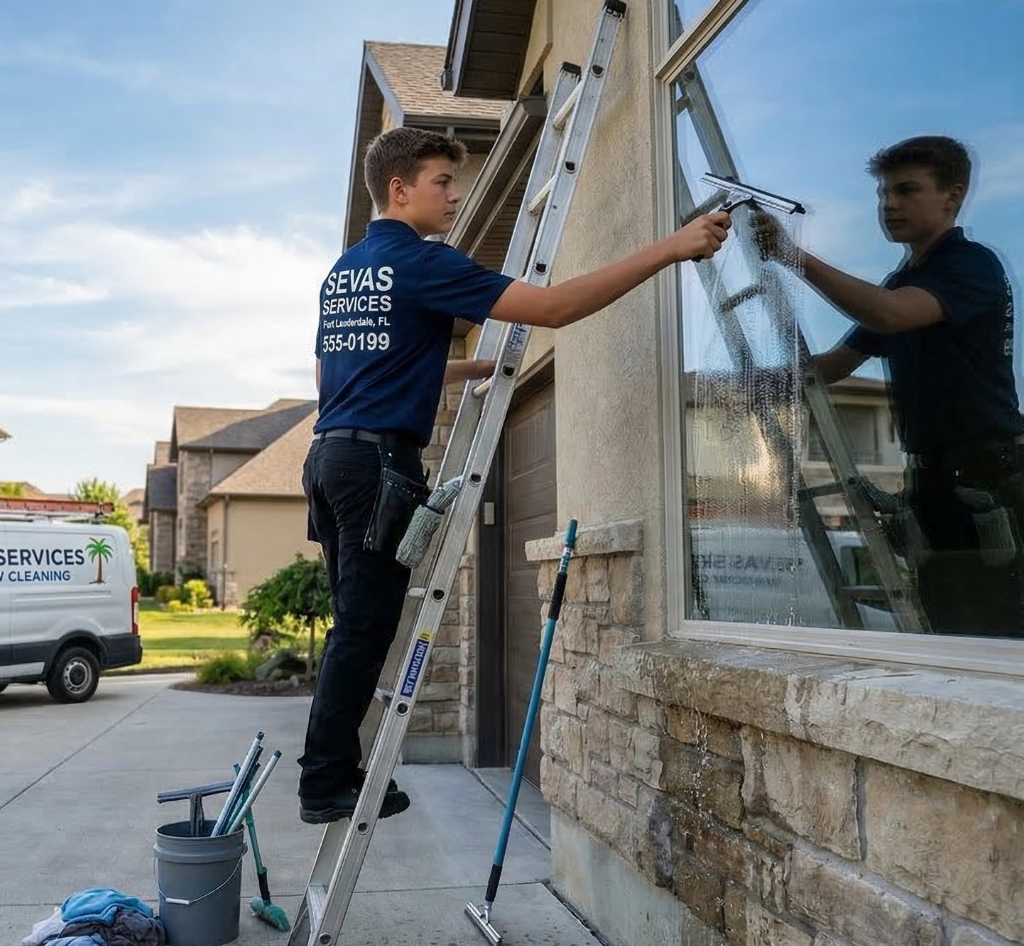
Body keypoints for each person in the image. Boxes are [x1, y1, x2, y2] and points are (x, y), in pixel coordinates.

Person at [298, 126, 731, 824]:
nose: (455, 194)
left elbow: (333, 377)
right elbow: (554, 308)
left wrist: (465, 368)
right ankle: (323, 783)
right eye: (442, 182)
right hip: (377, 465)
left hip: (329, 460)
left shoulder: (345, 272)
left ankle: (334, 770)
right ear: (400, 189)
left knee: (356, 625)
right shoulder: (421, 262)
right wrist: (672, 248)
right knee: (364, 630)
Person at [753, 135, 1024, 639]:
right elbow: (837, 365)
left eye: (906, 191)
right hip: (935, 479)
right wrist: (756, 384)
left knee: (993, 634)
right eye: (883, 193)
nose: (889, 204)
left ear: (952, 196)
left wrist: (790, 255)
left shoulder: (970, 265)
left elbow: (889, 314)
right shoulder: (905, 278)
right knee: (946, 626)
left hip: (985, 476)